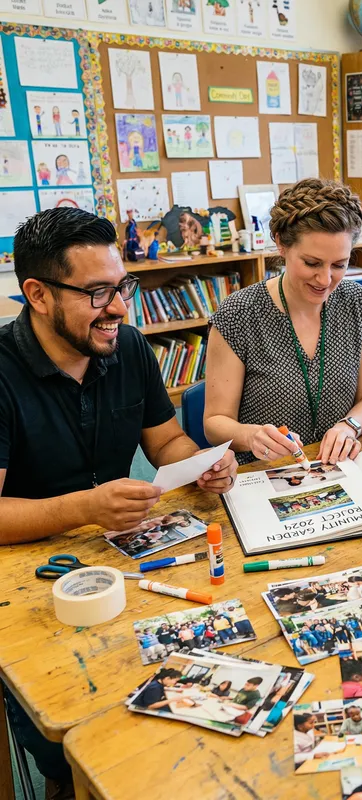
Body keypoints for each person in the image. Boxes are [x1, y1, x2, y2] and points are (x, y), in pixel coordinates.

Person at [0, 208, 238, 796]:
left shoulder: (126, 346)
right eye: (98, 293)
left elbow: (165, 441)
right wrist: (85, 507)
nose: (121, 309)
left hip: (120, 555)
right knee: (66, 737)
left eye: (122, 286)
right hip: (24, 577)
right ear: (38, 294)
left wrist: (205, 462)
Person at [204, 178, 362, 466]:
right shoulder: (239, 314)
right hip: (266, 474)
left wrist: (349, 426)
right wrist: (251, 436)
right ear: (281, 244)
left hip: (339, 468)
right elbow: (214, 423)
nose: (325, 280)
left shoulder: (356, 303)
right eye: (312, 263)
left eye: (339, 265)